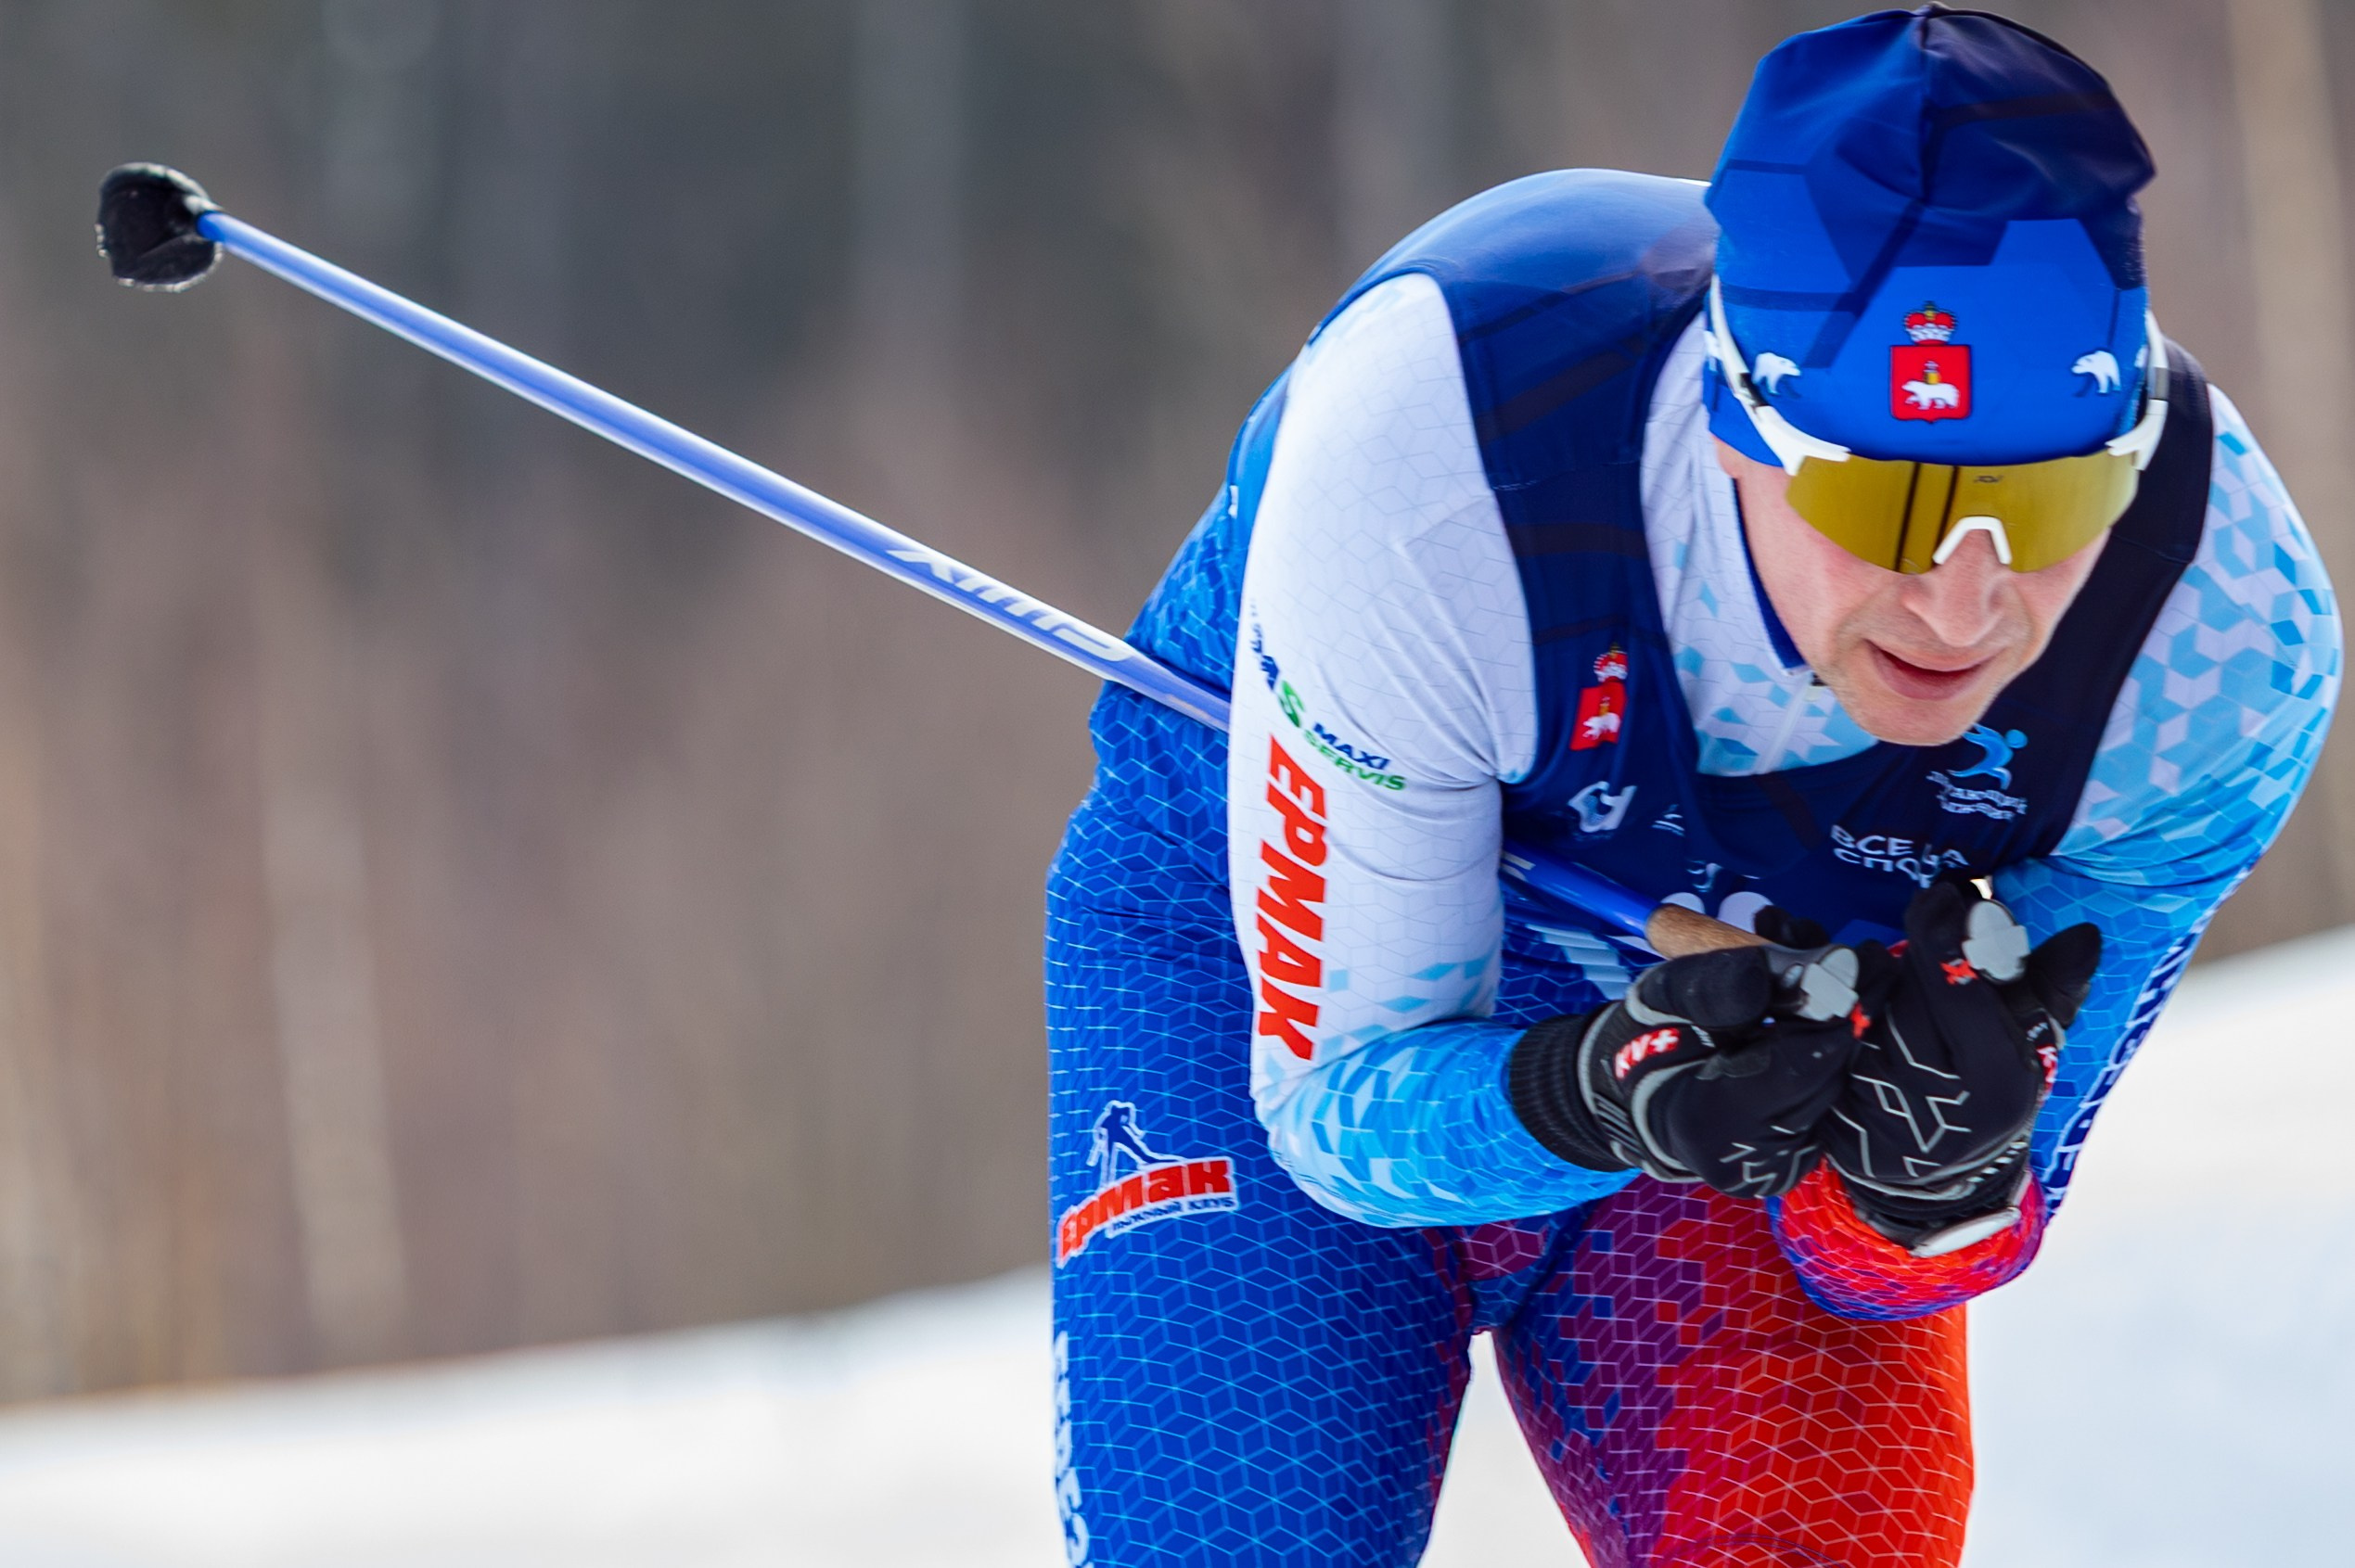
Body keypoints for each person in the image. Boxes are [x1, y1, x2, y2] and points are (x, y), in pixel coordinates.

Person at [1044, 8, 2340, 1566]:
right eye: (1891, 503)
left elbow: (1917, 1259)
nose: (1965, 607)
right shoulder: (1439, 462)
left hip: (1766, 1052)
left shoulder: (2216, 647)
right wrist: (1587, 1093)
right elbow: (1338, 1115)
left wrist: (1925, 1182)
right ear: (1736, 423)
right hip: (1259, 957)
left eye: (2054, 501)